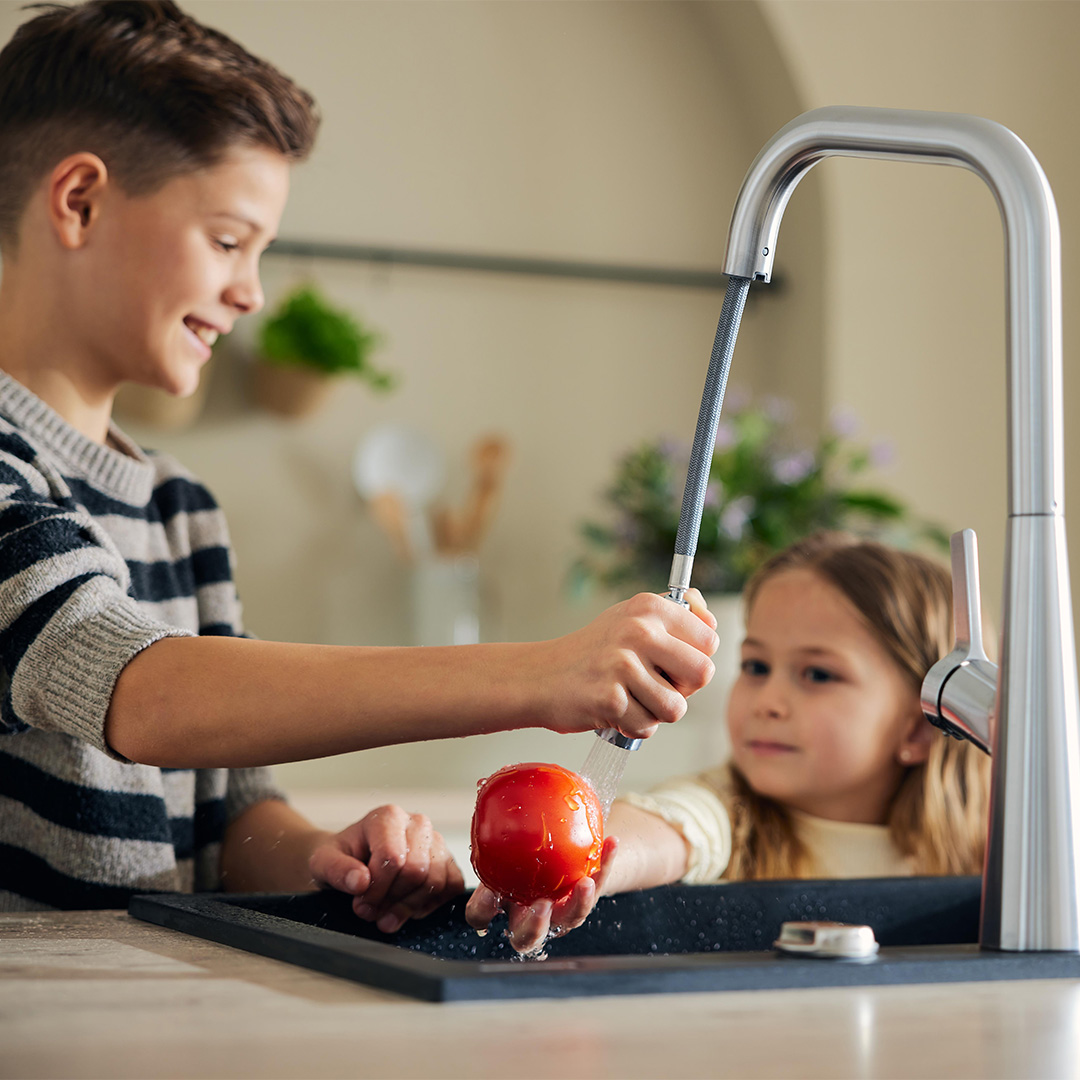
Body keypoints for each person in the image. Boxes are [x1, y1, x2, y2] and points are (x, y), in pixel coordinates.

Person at [0, 1, 719, 923]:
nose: (250, 292)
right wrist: (542, 673)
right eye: (227, 241)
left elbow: (227, 815)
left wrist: (323, 857)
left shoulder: (182, 508)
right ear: (80, 201)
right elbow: (143, 693)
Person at [467, 531, 992, 953]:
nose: (768, 701)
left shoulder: (990, 852)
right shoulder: (728, 813)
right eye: (756, 666)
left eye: (817, 675)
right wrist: (578, 868)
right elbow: (663, 827)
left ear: (920, 728)